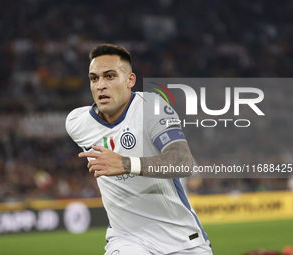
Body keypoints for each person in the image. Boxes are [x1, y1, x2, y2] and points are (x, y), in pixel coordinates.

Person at [65, 44, 213, 255]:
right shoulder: (77, 123)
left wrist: (125, 163)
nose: (100, 85)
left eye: (109, 76)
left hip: (182, 240)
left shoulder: (151, 107)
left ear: (130, 81)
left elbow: (183, 162)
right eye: (94, 78)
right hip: (127, 240)